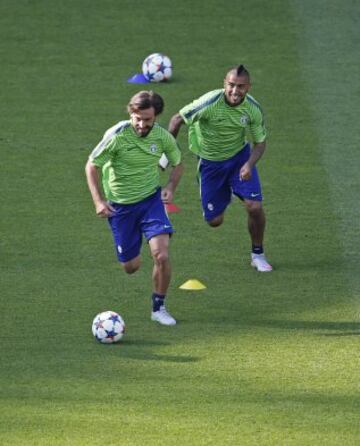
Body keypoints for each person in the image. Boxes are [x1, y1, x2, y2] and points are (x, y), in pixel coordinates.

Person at [85, 91, 183, 325]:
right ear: (131, 113)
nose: (141, 124)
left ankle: (158, 307)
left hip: (150, 202)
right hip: (121, 208)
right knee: (131, 266)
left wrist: (170, 185)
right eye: (136, 118)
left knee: (161, 254)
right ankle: (134, 245)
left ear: (156, 117)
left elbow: (178, 164)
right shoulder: (117, 135)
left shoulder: (162, 138)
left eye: (147, 120)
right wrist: (99, 201)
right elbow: (91, 166)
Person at [168, 64, 272, 272]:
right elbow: (177, 119)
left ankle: (257, 254)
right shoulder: (209, 103)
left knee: (254, 206)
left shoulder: (252, 109)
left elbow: (260, 143)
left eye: (241, 86)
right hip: (210, 164)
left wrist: (249, 164)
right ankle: (228, 192)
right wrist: (167, 152)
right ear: (224, 84)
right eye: (231, 85)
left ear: (248, 87)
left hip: (238, 159)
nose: (235, 91)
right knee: (214, 221)